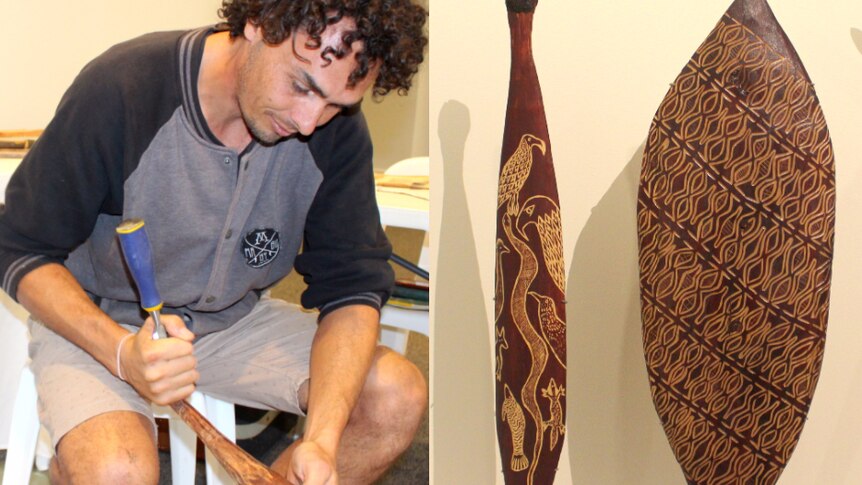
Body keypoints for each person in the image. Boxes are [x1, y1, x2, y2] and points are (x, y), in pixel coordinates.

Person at [0, 0, 428, 483]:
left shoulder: (334, 130)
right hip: (99, 322)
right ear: (258, 23)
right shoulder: (125, 87)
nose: (310, 122)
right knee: (116, 469)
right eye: (302, 85)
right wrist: (122, 353)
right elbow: (20, 248)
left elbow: (352, 288)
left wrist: (322, 441)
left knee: (394, 396)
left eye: (335, 104)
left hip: (230, 322)